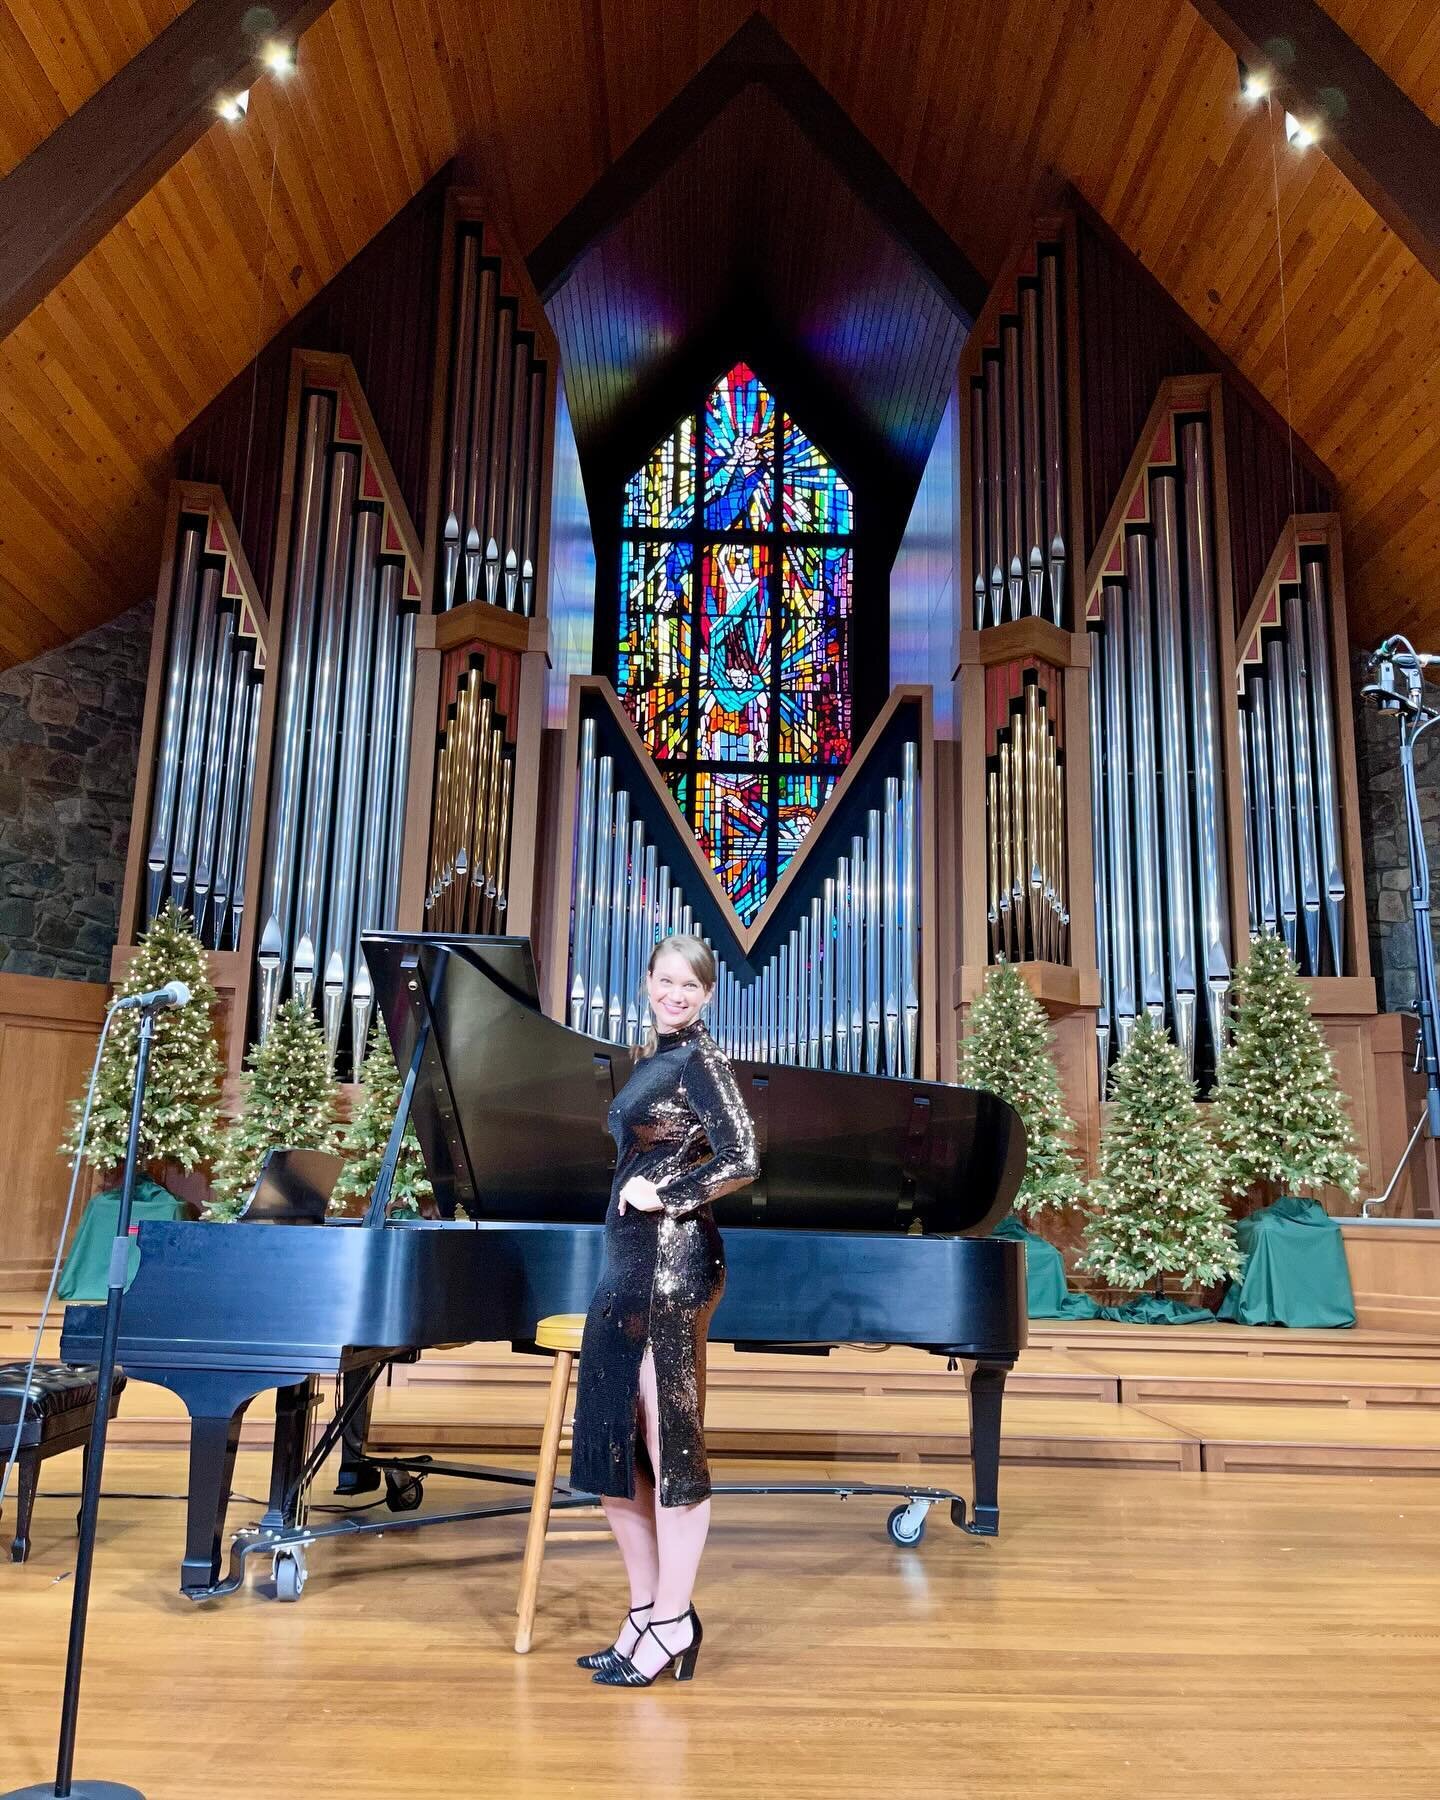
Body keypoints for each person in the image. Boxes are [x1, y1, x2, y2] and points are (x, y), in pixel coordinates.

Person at [569, 933, 759, 1687]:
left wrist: (669, 1193)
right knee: (613, 1453)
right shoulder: (653, 1061)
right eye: (666, 980)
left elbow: (741, 1155)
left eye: (692, 986)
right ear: (647, 981)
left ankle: (674, 1619)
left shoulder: (703, 1061)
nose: (677, 993)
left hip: (673, 1268)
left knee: (671, 1451)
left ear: (707, 995)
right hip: (627, 1268)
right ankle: (645, 1611)